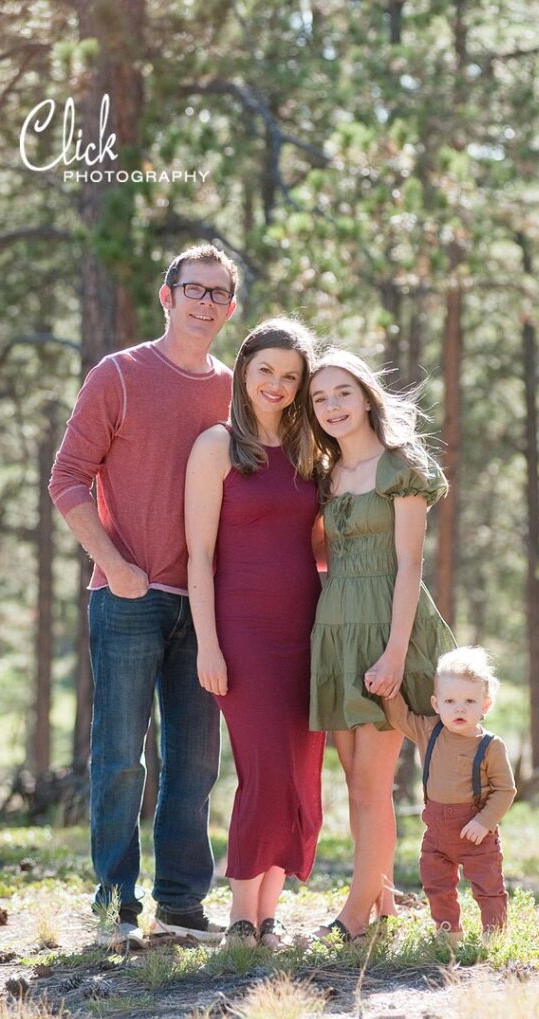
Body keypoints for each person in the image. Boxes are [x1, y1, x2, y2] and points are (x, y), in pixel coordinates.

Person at [49, 243, 238, 949]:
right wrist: (112, 562)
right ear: (167, 297)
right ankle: (113, 907)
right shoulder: (120, 375)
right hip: (127, 596)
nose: (204, 303)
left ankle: (182, 906)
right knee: (120, 758)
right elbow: (67, 478)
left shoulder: (233, 389)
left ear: (230, 307)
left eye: (218, 294)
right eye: (193, 289)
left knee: (193, 762)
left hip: (206, 607)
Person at [185, 317, 325, 949]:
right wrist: (208, 644)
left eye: (291, 377)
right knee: (264, 770)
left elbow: (318, 546)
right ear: (243, 370)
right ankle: (240, 917)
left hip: (308, 629)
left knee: (298, 773)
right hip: (242, 632)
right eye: (266, 370)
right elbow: (198, 556)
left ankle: (268, 918)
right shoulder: (216, 446)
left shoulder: (308, 453)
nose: (277, 384)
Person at [307, 349, 455, 942]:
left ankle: (353, 919)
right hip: (337, 626)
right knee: (353, 780)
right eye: (319, 399)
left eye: (342, 392)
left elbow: (410, 563)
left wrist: (395, 654)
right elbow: (322, 551)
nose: (332, 406)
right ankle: (384, 900)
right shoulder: (323, 474)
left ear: (367, 396)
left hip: (389, 628)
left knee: (372, 782)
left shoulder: (402, 467)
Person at [384, 646, 516, 946]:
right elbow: (399, 717)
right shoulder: (429, 731)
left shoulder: (491, 746)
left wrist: (484, 822)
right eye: (450, 701)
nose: (459, 709)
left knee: (488, 885)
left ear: (485, 704)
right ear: (436, 703)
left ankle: (493, 936)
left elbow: (505, 790)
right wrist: (387, 689)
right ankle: (448, 933)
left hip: (476, 832)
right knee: (436, 883)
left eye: (469, 701)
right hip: (436, 832)